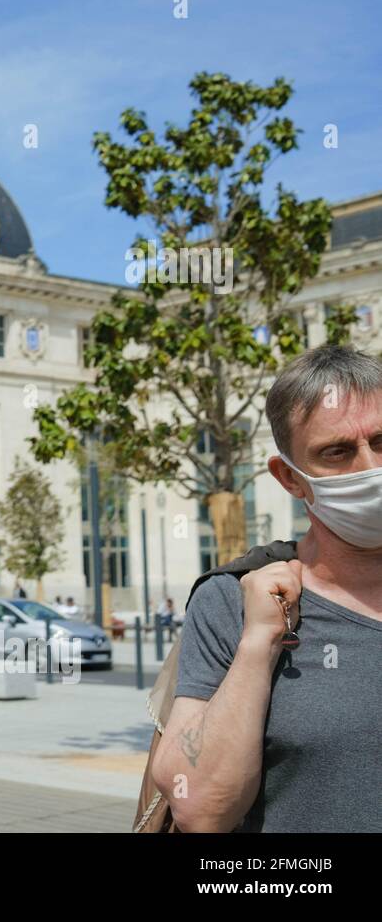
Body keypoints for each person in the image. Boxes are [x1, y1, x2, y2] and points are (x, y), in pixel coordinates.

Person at [152, 345, 382, 832]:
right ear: (291, 479)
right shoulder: (233, 603)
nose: (368, 466)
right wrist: (258, 645)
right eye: (336, 452)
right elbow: (199, 809)